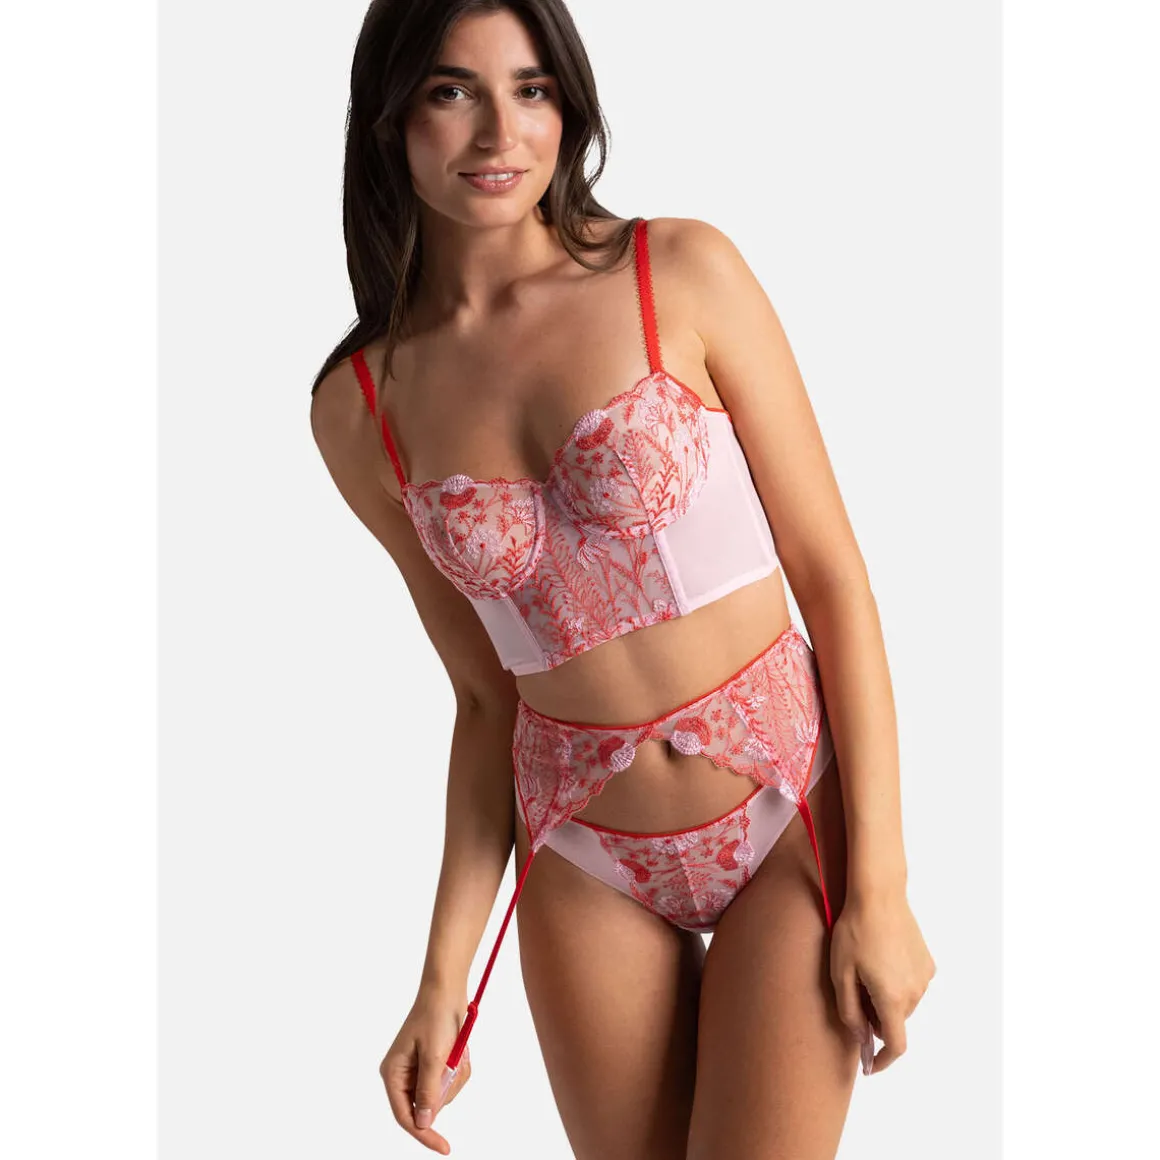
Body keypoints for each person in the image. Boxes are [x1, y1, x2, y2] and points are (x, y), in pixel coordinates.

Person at [309, 2, 936, 1156]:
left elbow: (832, 579)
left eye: (530, 89)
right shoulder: (360, 410)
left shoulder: (678, 271)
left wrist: (882, 890)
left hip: (783, 813)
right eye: (451, 91)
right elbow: (485, 698)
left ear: (568, 102)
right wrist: (441, 980)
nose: (499, 132)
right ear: (390, 117)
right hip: (583, 856)